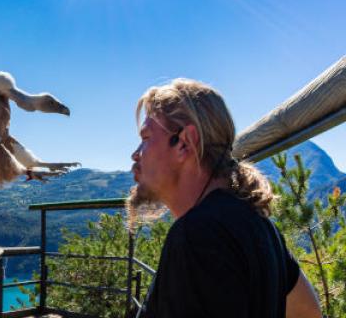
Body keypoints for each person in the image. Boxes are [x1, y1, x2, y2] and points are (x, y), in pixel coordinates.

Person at [128, 78, 322, 318]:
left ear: (184, 143)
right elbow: (308, 310)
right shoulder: (261, 226)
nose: (135, 154)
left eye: (145, 138)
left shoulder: (197, 236)